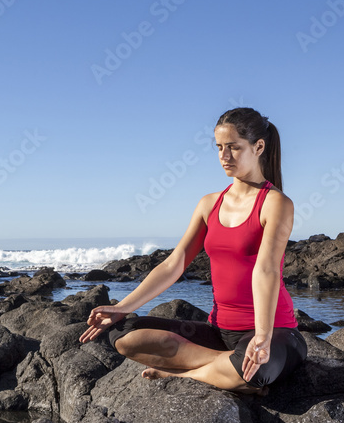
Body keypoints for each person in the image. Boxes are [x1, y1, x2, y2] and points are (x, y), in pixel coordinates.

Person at [79, 107, 307, 394]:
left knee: (258, 370)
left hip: (275, 332)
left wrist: (262, 337)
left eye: (234, 148)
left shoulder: (275, 203)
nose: (225, 157)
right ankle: (221, 368)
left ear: (258, 146)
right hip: (218, 333)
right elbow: (174, 264)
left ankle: (187, 373)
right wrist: (121, 308)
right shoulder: (209, 204)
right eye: (220, 148)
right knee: (122, 334)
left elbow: (266, 270)